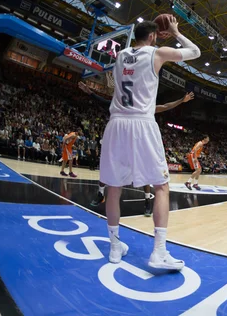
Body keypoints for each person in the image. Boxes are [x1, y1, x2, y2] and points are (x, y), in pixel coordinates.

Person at [100, 16, 200, 266]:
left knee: (113, 188)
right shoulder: (157, 53)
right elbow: (195, 52)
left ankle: (114, 247)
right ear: (153, 36)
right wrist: (176, 32)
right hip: (142, 123)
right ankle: (159, 252)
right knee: (161, 187)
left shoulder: (120, 55)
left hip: (116, 123)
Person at [80, 81, 195, 216]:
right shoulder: (123, 105)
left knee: (143, 173)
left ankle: (147, 201)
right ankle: (100, 193)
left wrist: (182, 100)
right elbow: (105, 102)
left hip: (139, 143)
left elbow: (165, 106)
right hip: (121, 141)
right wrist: (90, 93)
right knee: (108, 167)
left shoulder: (146, 107)